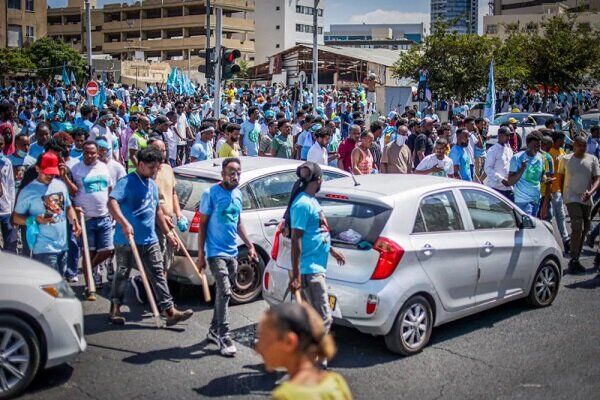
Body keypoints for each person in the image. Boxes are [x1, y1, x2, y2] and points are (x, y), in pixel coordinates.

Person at [108, 147, 193, 326]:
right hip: (126, 240)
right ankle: (115, 308)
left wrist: (169, 233)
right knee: (122, 273)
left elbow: (157, 213)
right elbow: (112, 202)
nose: (155, 171)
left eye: (157, 167)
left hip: (150, 239)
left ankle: (169, 311)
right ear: (140, 165)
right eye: (152, 167)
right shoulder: (127, 182)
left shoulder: (152, 185)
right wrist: (124, 223)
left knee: (158, 274)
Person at [196, 158, 257, 357]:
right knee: (225, 291)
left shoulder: (238, 194)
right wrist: (201, 254)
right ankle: (224, 335)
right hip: (215, 252)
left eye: (238, 172)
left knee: (223, 294)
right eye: (231, 172)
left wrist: (249, 245)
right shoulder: (210, 194)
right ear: (222, 174)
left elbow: (238, 222)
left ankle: (213, 330)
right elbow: (203, 225)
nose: (235, 176)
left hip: (232, 252)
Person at [286, 162, 345, 368]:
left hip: (316, 267)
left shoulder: (312, 201)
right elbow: (296, 240)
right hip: (309, 271)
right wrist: (296, 275)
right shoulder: (303, 204)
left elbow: (318, 232)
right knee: (325, 318)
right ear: (318, 180)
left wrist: (332, 250)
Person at [255, 302, 353, 400]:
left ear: (289, 342)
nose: (258, 349)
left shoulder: (285, 396)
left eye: (265, 340)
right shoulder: (336, 382)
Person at [12, 152, 82, 273]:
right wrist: (34, 219)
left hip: (62, 246)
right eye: (47, 172)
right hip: (43, 248)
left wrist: (75, 222)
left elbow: (68, 207)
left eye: (53, 173)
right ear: (37, 168)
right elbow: (16, 218)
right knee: (51, 288)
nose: (50, 176)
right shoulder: (28, 191)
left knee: (59, 286)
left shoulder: (60, 185)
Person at [71, 141, 114, 298]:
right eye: (86, 153)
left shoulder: (103, 167)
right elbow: (70, 192)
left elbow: (110, 189)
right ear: (82, 153)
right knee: (88, 252)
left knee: (109, 249)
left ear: (98, 153)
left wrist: (112, 209)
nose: (89, 155)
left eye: (92, 153)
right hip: (86, 218)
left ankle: (88, 268)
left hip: (104, 216)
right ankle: (90, 288)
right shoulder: (76, 169)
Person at [557, 135, 600, 275]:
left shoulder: (592, 159)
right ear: (574, 146)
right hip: (571, 198)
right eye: (579, 145)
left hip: (587, 199)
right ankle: (574, 257)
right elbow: (561, 177)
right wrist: (563, 194)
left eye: (584, 146)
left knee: (585, 228)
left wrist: (591, 192)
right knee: (577, 226)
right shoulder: (565, 159)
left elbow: (597, 179)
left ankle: (576, 257)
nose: (582, 148)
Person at [507, 131, 546, 216]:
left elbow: (542, 176)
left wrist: (544, 178)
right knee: (525, 227)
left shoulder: (541, 158)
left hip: (536, 199)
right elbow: (510, 182)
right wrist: (522, 168)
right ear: (527, 144)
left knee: (533, 227)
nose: (537, 149)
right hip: (522, 201)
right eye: (534, 146)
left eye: (539, 146)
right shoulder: (517, 158)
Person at [549, 131, 569, 249]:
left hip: (559, 189)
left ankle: (565, 240)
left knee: (560, 215)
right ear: (557, 140)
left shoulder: (562, 151)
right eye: (562, 140)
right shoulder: (550, 152)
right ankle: (553, 241)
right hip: (551, 189)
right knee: (551, 216)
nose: (564, 142)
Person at [484, 126, 514, 201]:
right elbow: (487, 168)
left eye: (509, 135)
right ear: (500, 136)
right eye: (506, 135)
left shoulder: (509, 150)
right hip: (496, 188)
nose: (508, 138)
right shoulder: (493, 150)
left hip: (509, 188)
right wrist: (501, 179)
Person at [0, 135, 16, 252]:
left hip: (5, 208)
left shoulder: (7, 163)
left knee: (9, 240)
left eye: (0, 144)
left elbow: (11, 185)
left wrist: (12, 207)